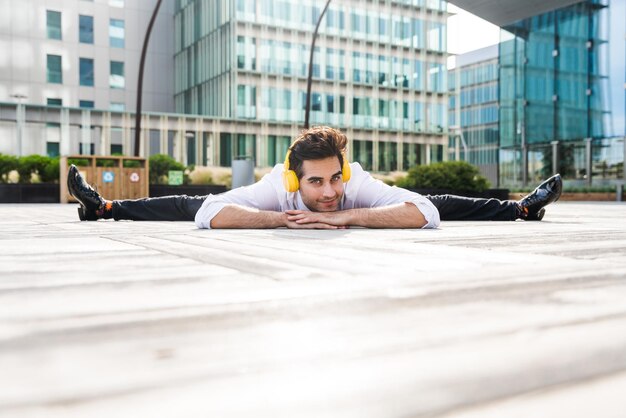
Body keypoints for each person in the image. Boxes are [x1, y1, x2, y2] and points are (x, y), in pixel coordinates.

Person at [67, 126, 562, 229]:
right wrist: (281, 222)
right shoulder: (275, 189)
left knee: (440, 199)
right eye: (315, 184)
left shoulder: (354, 184)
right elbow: (212, 211)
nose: (328, 193)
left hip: (374, 208)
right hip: (273, 207)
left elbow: (425, 212)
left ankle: (522, 207)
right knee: (189, 204)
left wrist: (354, 216)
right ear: (293, 181)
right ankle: (104, 207)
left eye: (334, 181)